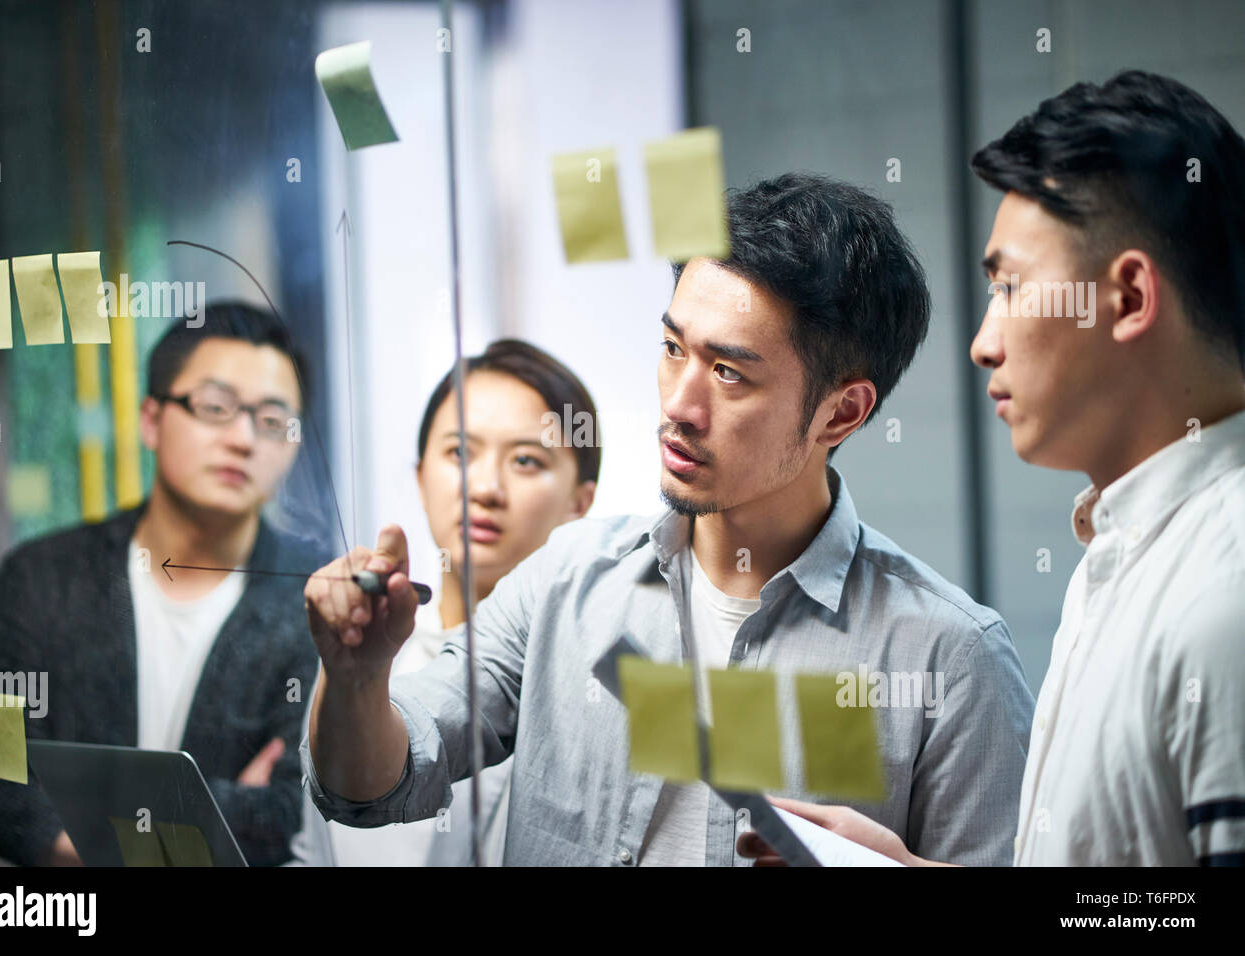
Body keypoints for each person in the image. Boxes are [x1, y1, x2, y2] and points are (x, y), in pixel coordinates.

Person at [303, 173, 1035, 867]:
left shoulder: (948, 658)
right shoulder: (568, 581)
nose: (679, 407)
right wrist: (356, 678)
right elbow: (370, 789)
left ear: (840, 412)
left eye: (728, 373)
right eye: (672, 349)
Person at [741, 70, 1245, 867]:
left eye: (1011, 287)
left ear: (1128, 299)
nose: (984, 342)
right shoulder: (1130, 554)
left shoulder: (1225, 593)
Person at [0, 303, 323, 866]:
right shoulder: (41, 578)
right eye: (215, 407)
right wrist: (203, 818)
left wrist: (81, 811)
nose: (244, 439)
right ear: (151, 419)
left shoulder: (315, 603)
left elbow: (288, 813)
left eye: (272, 421)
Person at [296, 338, 599, 865]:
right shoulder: (359, 646)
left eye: (526, 460)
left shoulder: (586, 684)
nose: (484, 487)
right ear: (420, 476)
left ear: (581, 502)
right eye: (460, 452)